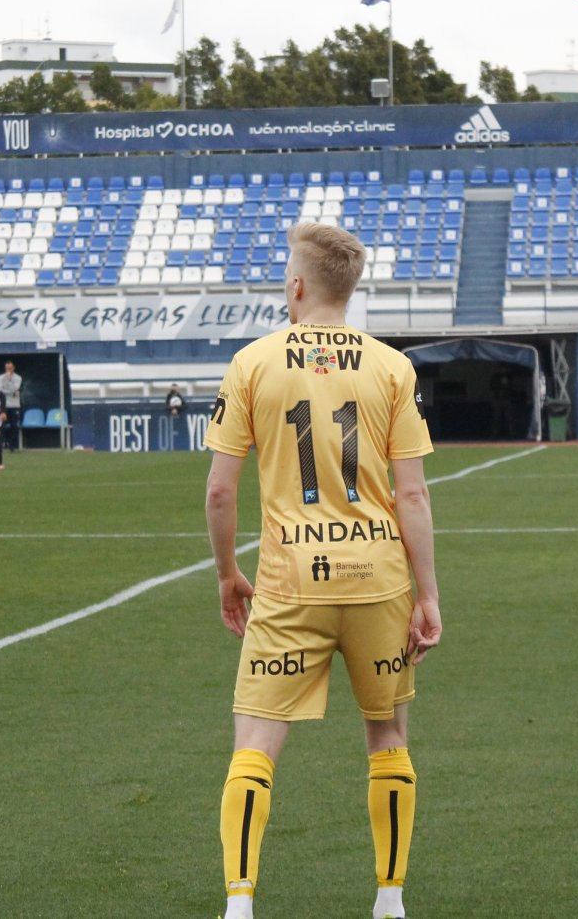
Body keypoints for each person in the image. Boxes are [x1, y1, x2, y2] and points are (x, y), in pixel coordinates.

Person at [204, 222, 442, 919]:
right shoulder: (393, 368)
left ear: (299, 284)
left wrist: (227, 574)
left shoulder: (253, 361)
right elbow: (414, 495)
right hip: (378, 579)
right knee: (388, 736)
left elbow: (221, 491)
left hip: (288, 581)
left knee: (255, 745)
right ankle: (390, 899)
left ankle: (240, 905)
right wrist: (427, 594)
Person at [0, 360, 22, 452]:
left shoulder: (18, 378)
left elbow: (15, 388)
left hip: (14, 405)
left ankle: (12, 446)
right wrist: (12, 392)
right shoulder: (0, 378)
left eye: (10, 368)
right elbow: (0, 390)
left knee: (14, 426)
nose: (8, 370)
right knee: (1, 425)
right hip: (3, 405)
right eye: (7, 368)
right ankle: (0, 445)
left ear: (13, 368)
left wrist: (9, 381)